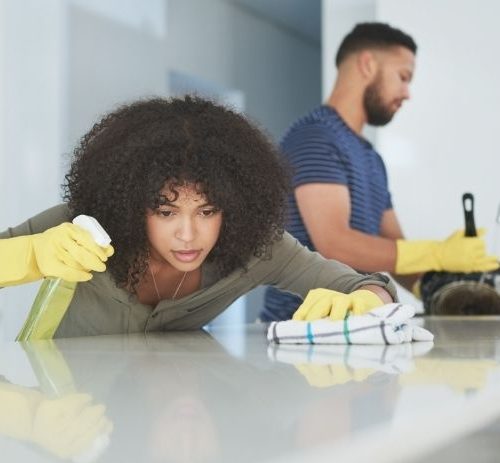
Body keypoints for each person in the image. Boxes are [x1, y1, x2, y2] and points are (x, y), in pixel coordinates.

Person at [0, 96, 396, 337]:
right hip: (64, 416)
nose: (188, 234)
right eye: (165, 211)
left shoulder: (258, 249)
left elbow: (370, 286)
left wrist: (362, 301)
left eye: (207, 211)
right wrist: (30, 255)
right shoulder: (81, 227)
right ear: (133, 202)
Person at [261, 22, 498, 321]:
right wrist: (438, 251)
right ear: (368, 64)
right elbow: (335, 244)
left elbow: (396, 253)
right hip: (299, 331)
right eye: (403, 77)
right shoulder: (315, 137)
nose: (407, 93)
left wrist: (449, 286)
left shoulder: (372, 159)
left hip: (355, 328)